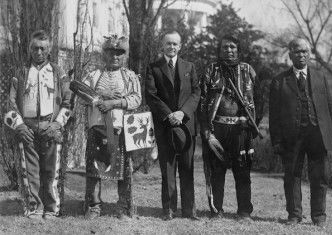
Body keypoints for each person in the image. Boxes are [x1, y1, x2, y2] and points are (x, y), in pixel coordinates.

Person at [4, 30, 72, 220]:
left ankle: (51, 209)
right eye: (35, 48)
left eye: (43, 48)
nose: (39, 52)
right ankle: (34, 208)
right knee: (31, 171)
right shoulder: (20, 72)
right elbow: (10, 103)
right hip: (28, 128)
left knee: (52, 171)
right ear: (29, 49)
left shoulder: (58, 72)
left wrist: (58, 124)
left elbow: (69, 100)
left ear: (49, 49)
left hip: (51, 127)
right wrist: (19, 126)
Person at [269, 38, 332, 227]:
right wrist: (277, 141)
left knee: (319, 177)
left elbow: (330, 109)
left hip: (318, 135)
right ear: (290, 54)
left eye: (305, 51)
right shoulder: (279, 81)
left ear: (309, 53)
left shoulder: (321, 77)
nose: (302, 55)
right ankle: (294, 215)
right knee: (291, 176)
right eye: (297, 51)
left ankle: (319, 216)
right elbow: (273, 115)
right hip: (291, 137)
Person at [82, 35, 141, 219]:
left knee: (123, 169)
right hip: (97, 127)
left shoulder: (129, 76)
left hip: (120, 129)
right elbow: (83, 94)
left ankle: (123, 207)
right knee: (94, 169)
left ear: (124, 55)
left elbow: (136, 99)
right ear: (104, 54)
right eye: (111, 52)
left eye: (119, 53)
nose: (115, 56)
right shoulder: (93, 75)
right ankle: (94, 206)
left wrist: (115, 102)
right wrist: (102, 95)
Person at [199, 35, 257, 221]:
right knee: (217, 170)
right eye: (225, 47)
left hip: (241, 129)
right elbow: (201, 100)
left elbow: (259, 101)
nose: (229, 50)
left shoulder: (248, 70)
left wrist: (249, 121)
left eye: (232, 47)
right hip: (217, 129)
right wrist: (205, 128)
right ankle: (217, 210)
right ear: (219, 49)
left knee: (242, 170)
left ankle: (244, 211)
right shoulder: (211, 70)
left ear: (238, 49)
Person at [145, 31, 200, 220]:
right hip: (165, 125)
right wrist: (169, 115)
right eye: (168, 43)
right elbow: (151, 95)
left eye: (175, 44)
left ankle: (188, 210)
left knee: (187, 167)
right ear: (163, 45)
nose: (172, 47)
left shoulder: (189, 67)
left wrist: (182, 113)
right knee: (168, 168)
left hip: (186, 125)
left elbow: (196, 93)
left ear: (180, 46)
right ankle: (168, 209)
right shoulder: (154, 68)